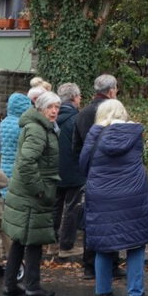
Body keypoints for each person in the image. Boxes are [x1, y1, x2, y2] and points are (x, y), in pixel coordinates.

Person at [80, 99, 148, 296]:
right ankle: (136, 295)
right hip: (133, 195)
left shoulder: (94, 134)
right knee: (136, 244)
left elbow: (83, 164)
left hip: (100, 196)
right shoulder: (134, 133)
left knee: (103, 245)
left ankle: (104, 294)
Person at [1, 91, 61, 296]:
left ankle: (10, 284)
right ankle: (32, 286)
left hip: (26, 191)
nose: (54, 111)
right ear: (40, 108)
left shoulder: (41, 127)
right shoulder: (37, 129)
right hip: (32, 194)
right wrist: (39, 189)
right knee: (34, 239)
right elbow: (27, 162)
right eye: (50, 107)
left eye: (57, 107)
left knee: (21, 238)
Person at [73, 74, 123, 280]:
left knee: (92, 221)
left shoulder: (82, 113)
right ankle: (112, 264)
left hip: (91, 174)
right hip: (112, 175)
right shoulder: (115, 112)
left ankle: (89, 265)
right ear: (111, 91)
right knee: (113, 220)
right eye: (116, 88)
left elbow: (76, 147)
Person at [55, 82, 84, 259]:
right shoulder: (77, 119)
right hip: (73, 170)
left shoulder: (52, 116)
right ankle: (66, 246)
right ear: (73, 97)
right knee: (72, 208)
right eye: (79, 96)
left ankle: (51, 243)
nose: (80, 99)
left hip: (54, 169)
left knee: (55, 206)